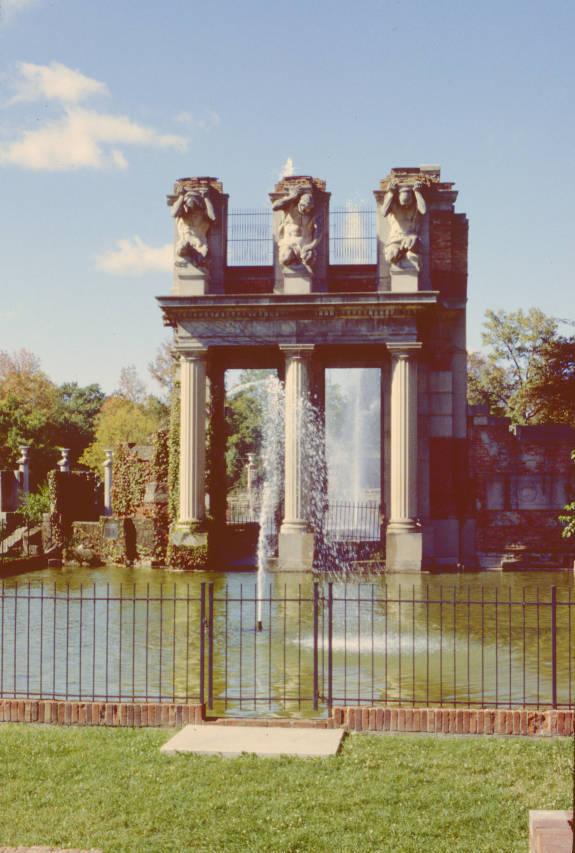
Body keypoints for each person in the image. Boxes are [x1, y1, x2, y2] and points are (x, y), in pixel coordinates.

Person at [272, 186, 322, 273]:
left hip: (305, 248)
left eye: (310, 209)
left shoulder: (315, 213)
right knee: (284, 259)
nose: (308, 211)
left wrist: (310, 246)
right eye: (305, 208)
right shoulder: (289, 208)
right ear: (300, 204)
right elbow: (274, 206)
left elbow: (319, 232)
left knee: (309, 259)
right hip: (289, 245)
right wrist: (291, 197)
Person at [381, 180, 427, 270]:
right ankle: (400, 256)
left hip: (411, 239)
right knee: (391, 256)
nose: (405, 206)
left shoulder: (416, 205)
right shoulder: (393, 206)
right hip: (395, 240)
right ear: (398, 198)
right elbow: (383, 212)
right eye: (403, 203)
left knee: (411, 243)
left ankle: (412, 256)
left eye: (408, 203)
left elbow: (424, 210)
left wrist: (417, 192)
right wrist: (390, 193)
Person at [171, 187, 216, 266]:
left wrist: (206, 198)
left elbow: (213, 217)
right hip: (185, 242)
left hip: (199, 244)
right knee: (181, 249)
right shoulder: (183, 214)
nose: (190, 201)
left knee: (202, 258)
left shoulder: (201, 214)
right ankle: (187, 261)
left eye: (193, 199)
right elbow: (173, 213)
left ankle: (198, 261)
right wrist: (181, 196)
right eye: (188, 199)